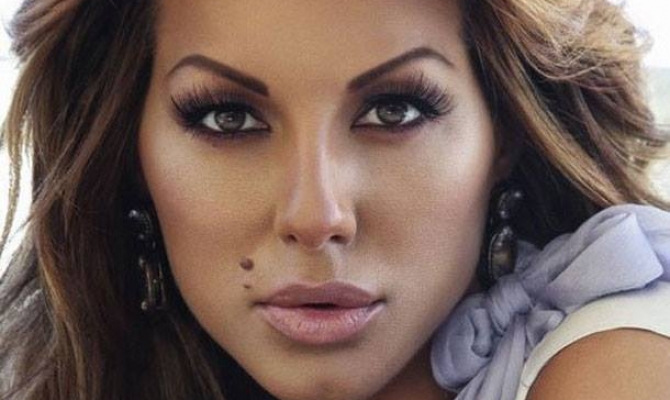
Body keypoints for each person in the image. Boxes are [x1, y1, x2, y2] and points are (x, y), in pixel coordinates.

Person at [1, 0, 669, 399]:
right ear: (132, 155)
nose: (315, 217)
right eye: (229, 118)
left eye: (395, 111)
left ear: (504, 139)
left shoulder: (621, 353)